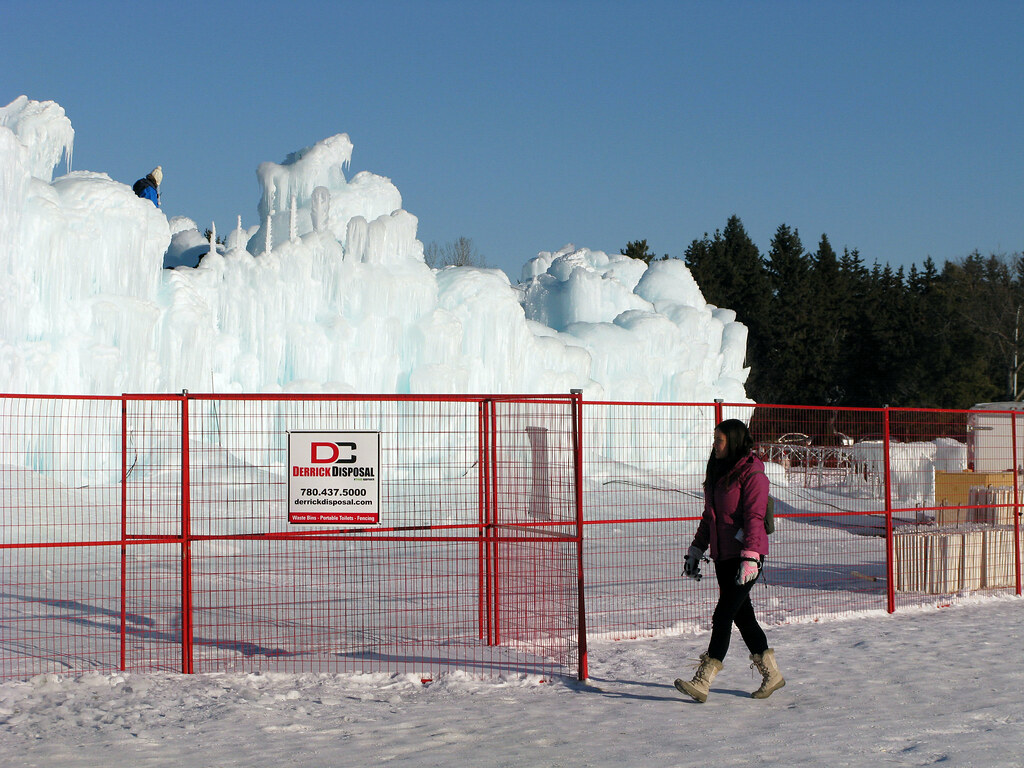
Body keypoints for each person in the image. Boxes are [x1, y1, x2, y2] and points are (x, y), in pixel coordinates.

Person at [675, 418, 785, 703]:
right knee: (743, 617)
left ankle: (704, 680)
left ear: (734, 441)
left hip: (746, 557)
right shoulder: (718, 472)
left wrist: (751, 556)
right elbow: (709, 518)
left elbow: (754, 517)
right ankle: (772, 675)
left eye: (719, 440)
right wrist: (696, 550)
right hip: (723, 557)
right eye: (714, 439)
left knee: (722, 615)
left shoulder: (753, 474)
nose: (715, 444)